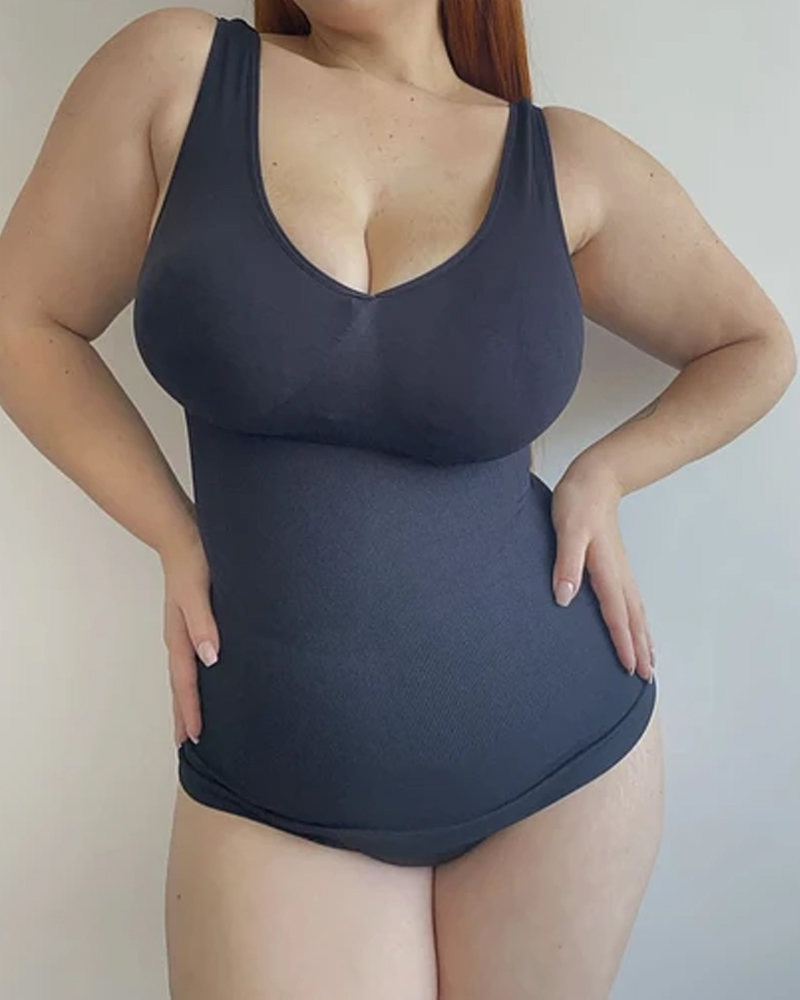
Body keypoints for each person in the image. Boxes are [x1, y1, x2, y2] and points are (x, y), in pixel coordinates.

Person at [0, 1, 795, 997]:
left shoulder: (564, 162)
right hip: (277, 777)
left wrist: (604, 474)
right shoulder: (178, 75)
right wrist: (170, 529)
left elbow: (755, 347)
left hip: (560, 763)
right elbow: (22, 319)